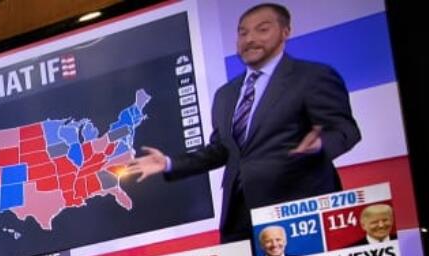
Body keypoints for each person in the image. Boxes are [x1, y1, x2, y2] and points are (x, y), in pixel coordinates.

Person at [125, 4, 361, 243]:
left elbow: (345, 129)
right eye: (243, 33)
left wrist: (320, 145)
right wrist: (168, 163)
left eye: (262, 30)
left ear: (285, 32)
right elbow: (222, 150)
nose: (250, 39)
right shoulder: (226, 95)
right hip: (240, 219)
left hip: (298, 211)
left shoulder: (311, 77)